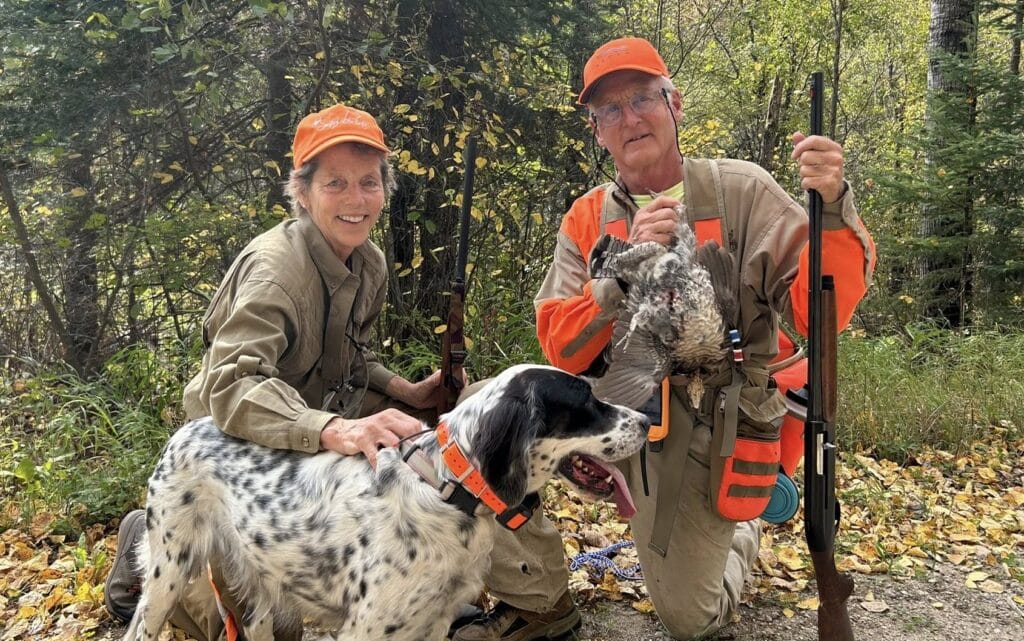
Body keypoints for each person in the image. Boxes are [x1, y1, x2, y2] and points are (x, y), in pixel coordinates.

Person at [452, 37, 875, 641]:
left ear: (673, 104)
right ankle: (541, 603)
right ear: (597, 131)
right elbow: (561, 347)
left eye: (642, 98)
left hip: (710, 424)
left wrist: (832, 209)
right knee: (479, 424)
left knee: (689, 621)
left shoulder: (743, 191)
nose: (630, 118)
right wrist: (620, 280)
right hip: (611, 412)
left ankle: (743, 529)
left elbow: (819, 315)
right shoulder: (586, 217)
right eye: (610, 110)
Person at [104, 104, 442, 640]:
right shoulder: (275, 272)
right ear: (302, 193)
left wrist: (408, 391)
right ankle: (149, 539)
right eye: (336, 183)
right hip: (236, 444)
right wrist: (339, 430)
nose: (356, 200)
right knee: (251, 627)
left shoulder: (369, 262)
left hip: (309, 436)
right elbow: (233, 386)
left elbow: (353, 363)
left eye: (369, 183)